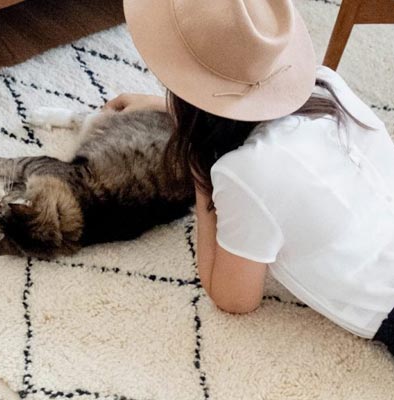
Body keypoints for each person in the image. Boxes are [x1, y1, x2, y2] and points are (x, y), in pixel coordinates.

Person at [106, 0, 394, 356]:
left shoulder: (245, 172)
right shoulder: (327, 85)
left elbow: (234, 299)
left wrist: (202, 175)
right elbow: (259, 112)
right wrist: (170, 110)